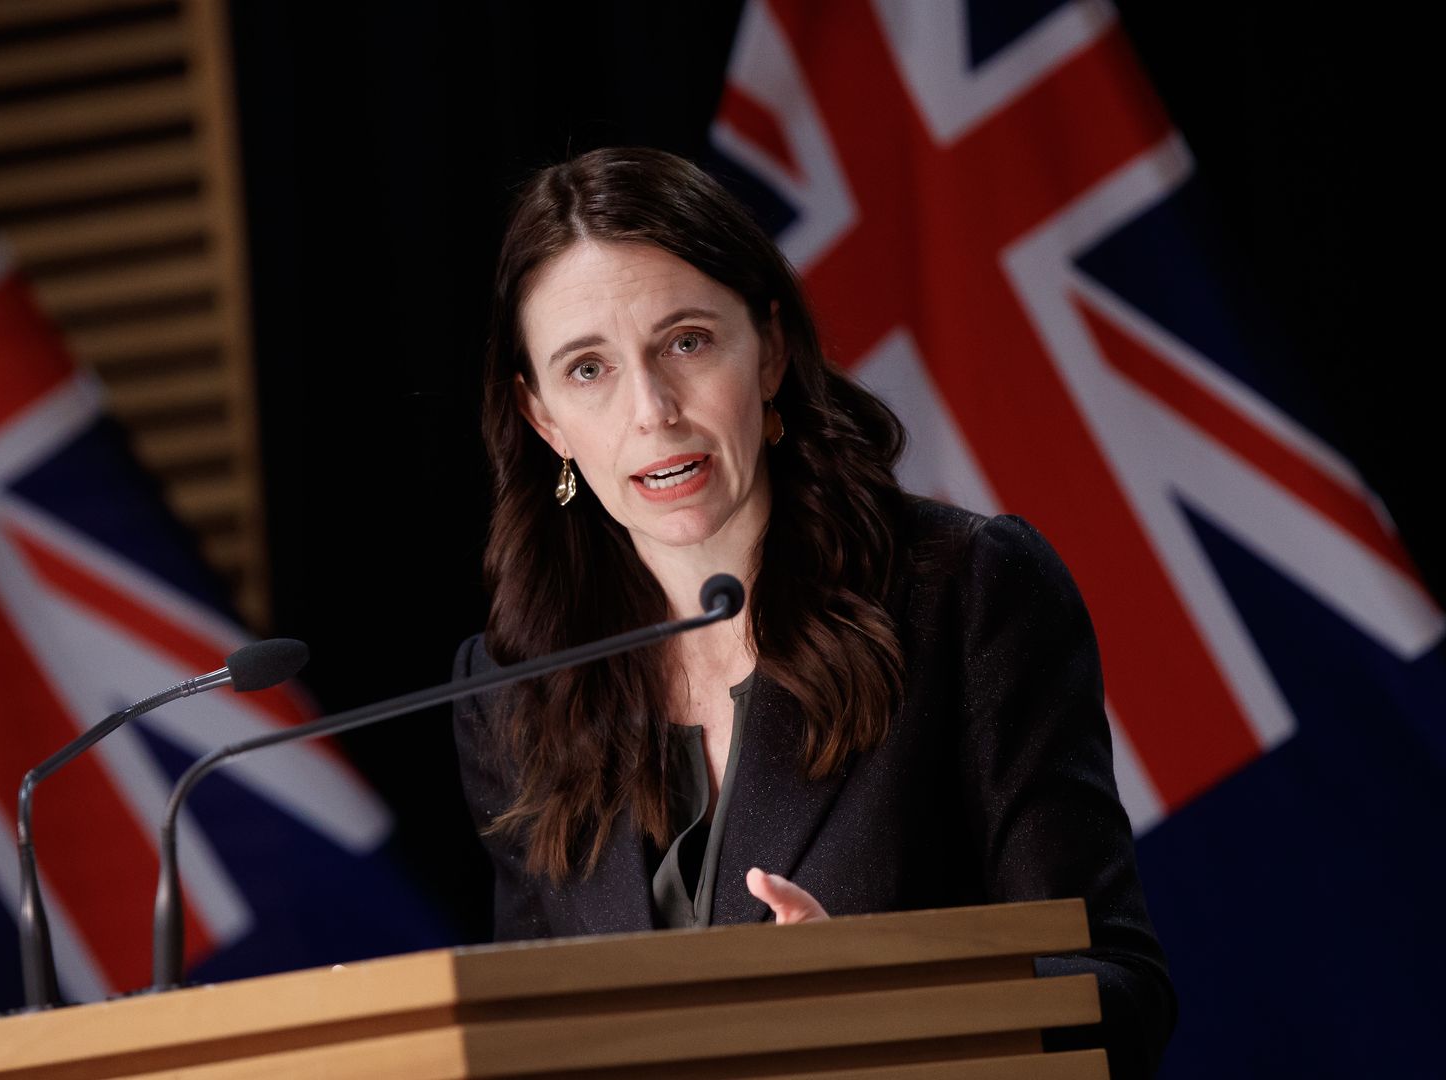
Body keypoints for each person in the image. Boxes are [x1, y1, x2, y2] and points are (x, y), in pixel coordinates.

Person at [452, 147, 1175, 1076]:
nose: (653, 411)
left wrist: (884, 1003)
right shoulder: (514, 691)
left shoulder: (966, 592)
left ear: (771, 350)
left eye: (686, 342)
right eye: (588, 369)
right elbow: (531, 1037)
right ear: (542, 417)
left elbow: (1122, 995)